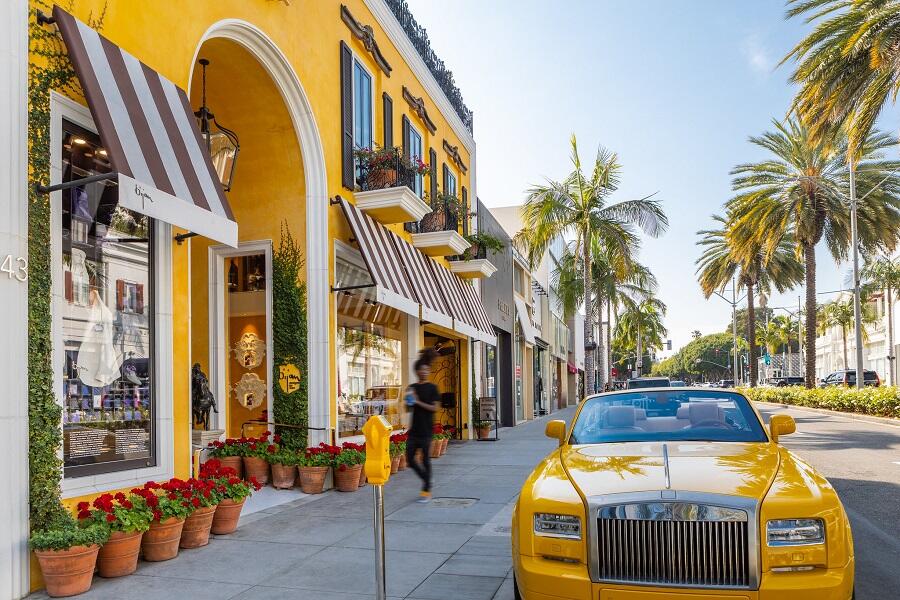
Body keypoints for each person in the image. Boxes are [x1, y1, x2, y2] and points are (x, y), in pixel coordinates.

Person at [405, 348, 440, 503]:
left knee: (426, 460)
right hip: (414, 430)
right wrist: (409, 399)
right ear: (417, 371)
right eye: (422, 369)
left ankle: (426, 491)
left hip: (426, 430)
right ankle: (427, 479)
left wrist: (418, 401)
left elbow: (435, 408)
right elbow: (408, 408)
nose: (425, 372)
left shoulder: (433, 388)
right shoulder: (412, 388)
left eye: (427, 369)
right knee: (410, 459)